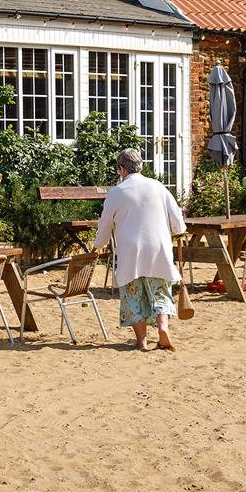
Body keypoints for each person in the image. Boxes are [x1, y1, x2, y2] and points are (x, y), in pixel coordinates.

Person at [92, 147, 187, 352]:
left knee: (132, 296)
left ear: (121, 169)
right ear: (141, 166)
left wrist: (97, 245)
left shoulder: (116, 192)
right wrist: (175, 230)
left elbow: (105, 225)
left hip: (130, 251)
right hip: (158, 248)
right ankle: (162, 327)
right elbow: (178, 224)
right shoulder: (158, 187)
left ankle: (141, 341)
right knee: (160, 291)